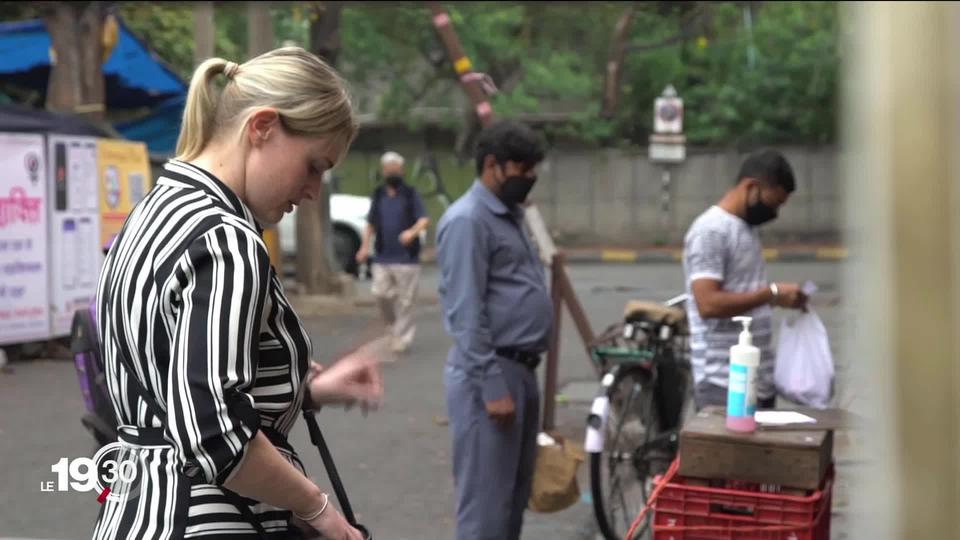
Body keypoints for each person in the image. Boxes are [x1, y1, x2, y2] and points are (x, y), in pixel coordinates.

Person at [91, 48, 382, 540]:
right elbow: (215, 437)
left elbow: (173, 385)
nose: (313, 190)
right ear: (263, 127)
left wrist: (310, 390)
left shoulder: (154, 212)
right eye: (313, 165)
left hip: (136, 512)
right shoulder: (226, 240)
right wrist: (319, 511)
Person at [435, 120, 553, 540]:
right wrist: (492, 385)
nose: (531, 177)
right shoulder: (468, 220)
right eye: (523, 168)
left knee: (511, 505)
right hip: (491, 375)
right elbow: (465, 311)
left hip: (520, 372)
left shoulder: (510, 215)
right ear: (493, 166)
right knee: (485, 513)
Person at [682, 149, 808, 412]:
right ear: (751, 186)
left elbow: (745, 295)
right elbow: (708, 304)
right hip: (723, 383)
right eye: (772, 204)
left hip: (756, 379)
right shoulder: (710, 231)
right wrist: (771, 294)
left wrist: (781, 298)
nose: (774, 213)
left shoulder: (745, 229)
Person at [355, 151, 430, 353]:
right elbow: (370, 224)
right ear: (384, 171)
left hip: (407, 258)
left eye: (395, 170)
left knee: (406, 301)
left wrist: (411, 233)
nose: (392, 173)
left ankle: (402, 338)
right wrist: (363, 247)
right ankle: (393, 326)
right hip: (382, 255)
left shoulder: (410, 193)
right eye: (389, 170)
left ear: (402, 171)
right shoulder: (378, 194)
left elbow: (424, 220)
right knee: (380, 293)